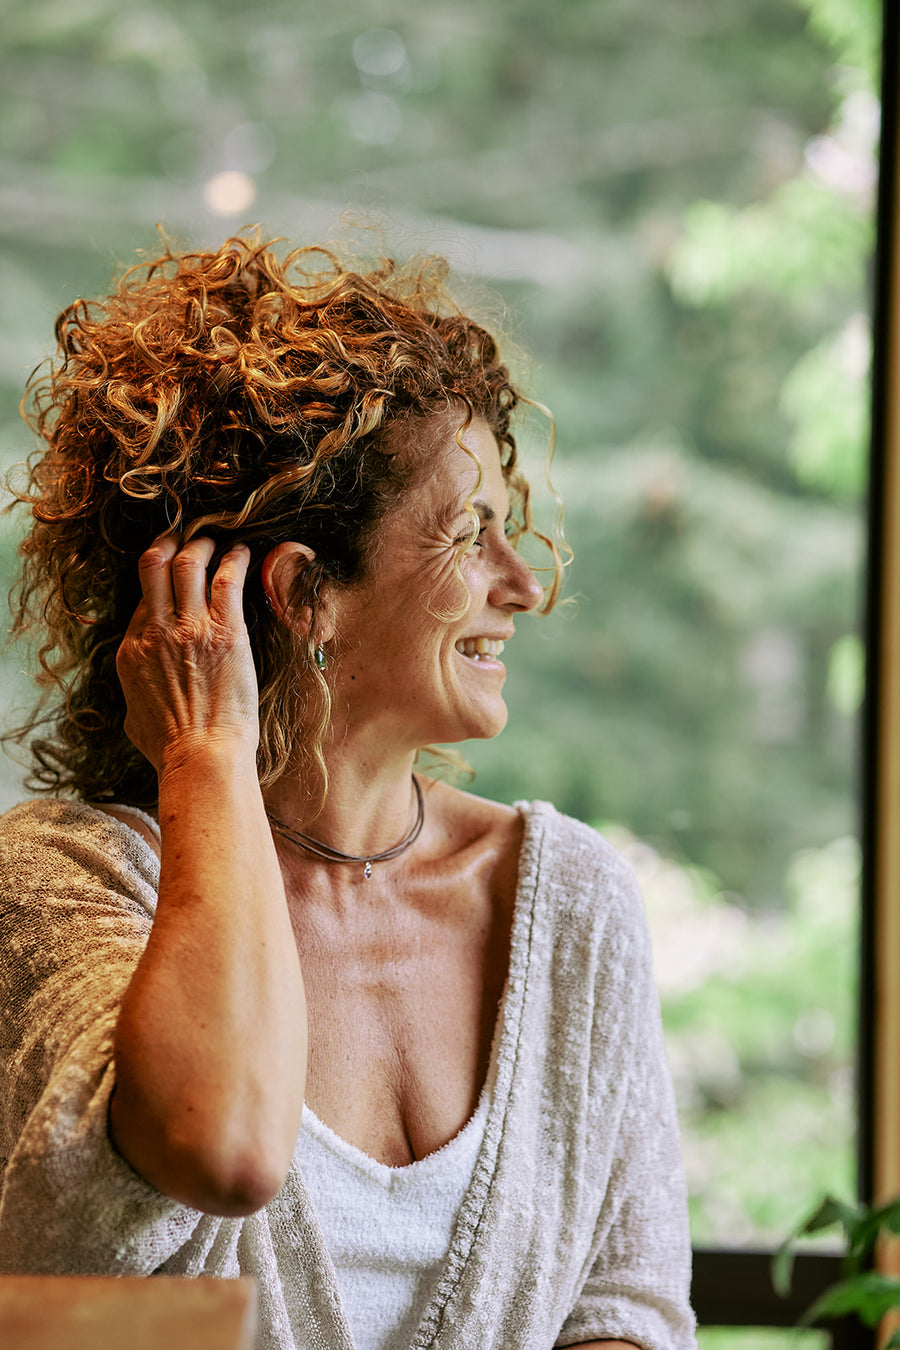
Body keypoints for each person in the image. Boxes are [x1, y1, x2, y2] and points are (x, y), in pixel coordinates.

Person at [0, 234, 696, 1350]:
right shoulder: (67, 887)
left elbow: (628, 1313)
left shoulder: (568, 905)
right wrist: (208, 756)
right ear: (304, 593)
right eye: (472, 537)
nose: (524, 588)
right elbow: (219, 1148)